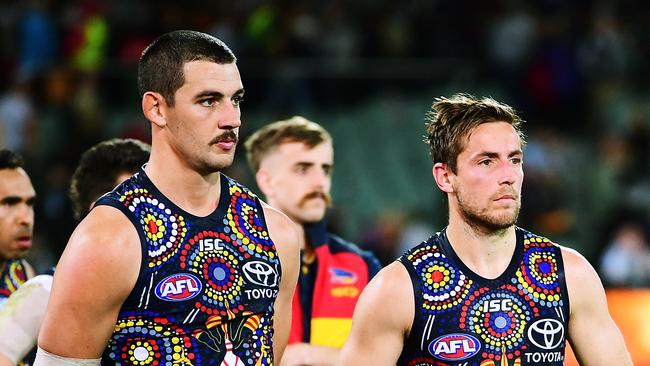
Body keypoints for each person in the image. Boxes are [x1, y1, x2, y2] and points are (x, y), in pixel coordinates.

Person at [37, 30, 300, 365]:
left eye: (236, 99)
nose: (231, 119)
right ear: (157, 108)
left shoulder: (276, 234)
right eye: (209, 101)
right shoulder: (107, 240)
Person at [337, 94, 632, 365]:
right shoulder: (398, 290)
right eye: (487, 161)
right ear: (445, 177)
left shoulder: (569, 274)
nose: (508, 176)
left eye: (514, 160)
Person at [0, 138, 150, 366]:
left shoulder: (20, 273)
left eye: (29, 203)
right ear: (102, 211)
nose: (26, 218)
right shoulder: (45, 290)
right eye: (10, 202)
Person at [244, 116, 381, 365]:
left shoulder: (361, 265)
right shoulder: (235, 263)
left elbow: (387, 356)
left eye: (325, 169)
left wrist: (306, 355)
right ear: (266, 181)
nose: (320, 182)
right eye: (303, 169)